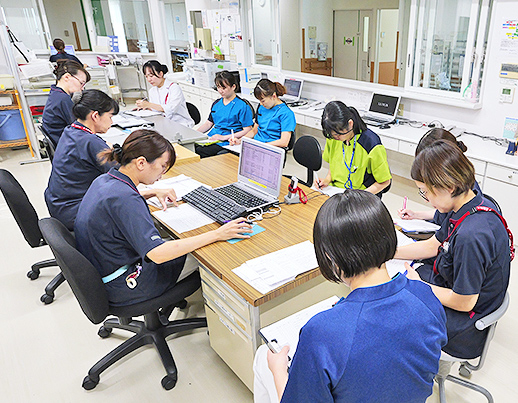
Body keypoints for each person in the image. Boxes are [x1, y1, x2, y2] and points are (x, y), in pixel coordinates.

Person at [254, 190, 447, 403]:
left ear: (329, 257)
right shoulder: (426, 297)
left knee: (264, 357)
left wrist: (278, 371)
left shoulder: (320, 333)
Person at [74, 129, 253, 307]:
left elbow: (115, 202)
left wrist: (150, 192)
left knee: (182, 242)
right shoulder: (126, 199)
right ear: (141, 163)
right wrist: (218, 234)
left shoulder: (105, 180)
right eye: (162, 166)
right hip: (127, 284)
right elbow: (157, 254)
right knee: (209, 254)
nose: (163, 174)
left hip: (108, 272)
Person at [394, 140, 512, 360]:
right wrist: (390, 252)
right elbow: (433, 245)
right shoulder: (467, 203)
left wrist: (420, 286)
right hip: (456, 289)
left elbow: (464, 301)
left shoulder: (471, 236)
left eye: (425, 192)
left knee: (393, 310)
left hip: (465, 326)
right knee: (401, 278)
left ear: (448, 187)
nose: (427, 200)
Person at [44, 89, 119, 231]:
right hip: (76, 212)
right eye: (110, 116)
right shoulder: (90, 142)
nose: (112, 121)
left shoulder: (70, 131)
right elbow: (123, 174)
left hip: (60, 207)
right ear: (95, 116)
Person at [397, 128, 482, 225]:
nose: (426, 200)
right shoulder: (454, 195)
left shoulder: (466, 198)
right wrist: (416, 215)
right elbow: (443, 215)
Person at [315, 100, 392, 196]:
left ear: (350, 124)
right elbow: (333, 163)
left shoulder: (370, 143)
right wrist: (327, 179)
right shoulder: (333, 138)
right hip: (336, 191)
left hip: (361, 194)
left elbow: (385, 182)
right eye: (332, 135)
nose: (335, 138)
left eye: (338, 134)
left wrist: (360, 196)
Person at [195, 71, 254, 158]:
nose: (220, 91)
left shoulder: (242, 106)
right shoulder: (217, 104)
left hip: (227, 141)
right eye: (218, 87)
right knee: (191, 147)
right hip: (212, 138)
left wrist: (223, 137)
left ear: (233, 87)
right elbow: (208, 123)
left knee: (200, 151)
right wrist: (194, 134)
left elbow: (248, 129)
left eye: (224, 88)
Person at [229, 79, 296, 148]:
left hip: (271, 148)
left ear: (274, 96)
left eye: (263, 101)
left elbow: (284, 142)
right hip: (257, 145)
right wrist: (240, 140)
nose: (261, 104)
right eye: (259, 101)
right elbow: (254, 131)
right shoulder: (262, 107)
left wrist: (262, 146)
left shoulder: (286, 113)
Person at [41, 60, 91, 146]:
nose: (82, 88)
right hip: (67, 145)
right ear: (67, 77)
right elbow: (79, 127)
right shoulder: (63, 99)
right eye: (81, 83)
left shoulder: (55, 92)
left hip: (61, 143)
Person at [136, 60, 194, 128]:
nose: (149, 80)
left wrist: (148, 104)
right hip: (162, 122)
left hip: (180, 123)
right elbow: (156, 109)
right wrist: (146, 108)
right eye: (146, 76)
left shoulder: (174, 88)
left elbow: (171, 109)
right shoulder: (152, 91)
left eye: (151, 76)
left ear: (160, 74)